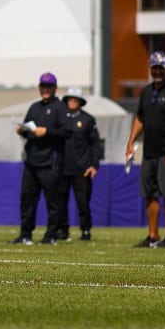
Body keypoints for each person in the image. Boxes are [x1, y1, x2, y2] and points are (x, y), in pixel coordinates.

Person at [125, 51, 165, 248]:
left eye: (161, 68)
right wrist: (130, 141)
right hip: (150, 152)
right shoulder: (146, 92)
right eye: (154, 68)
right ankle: (153, 236)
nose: (157, 71)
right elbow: (140, 118)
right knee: (149, 194)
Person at [10, 72, 72, 245]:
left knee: (53, 201)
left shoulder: (60, 108)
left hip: (50, 161)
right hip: (32, 160)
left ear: (55, 88)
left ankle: (51, 234)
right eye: (43, 87)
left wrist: (47, 132)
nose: (45, 90)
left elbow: (67, 132)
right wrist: (22, 130)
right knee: (27, 199)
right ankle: (25, 234)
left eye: (49, 87)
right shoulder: (34, 107)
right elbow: (28, 126)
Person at [59, 86, 102, 241]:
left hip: (82, 167)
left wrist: (94, 164)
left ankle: (85, 230)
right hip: (62, 167)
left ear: (80, 102)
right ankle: (63, 230)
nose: (72, 102)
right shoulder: (61, 118)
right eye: (70, 99)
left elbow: (95, 144)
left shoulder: (88, 120)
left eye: (75, 99)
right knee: (60, 201)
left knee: (83, 202)